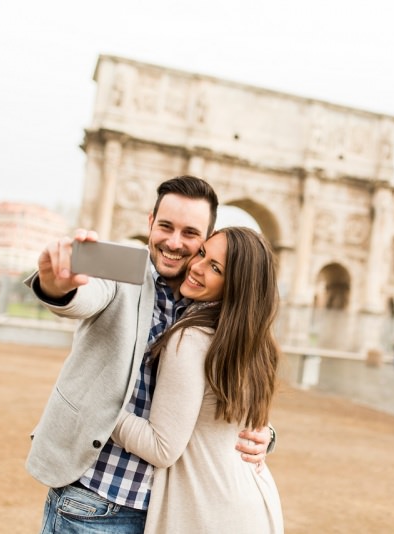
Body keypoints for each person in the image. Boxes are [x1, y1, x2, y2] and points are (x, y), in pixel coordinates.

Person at [25, 176, 275, 533]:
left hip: (166, 510)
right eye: (166, 227)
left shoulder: (218, 309)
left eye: (190, 234)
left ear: (208, 237)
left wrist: (262, 433)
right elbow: (82, 295)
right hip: (93, 497)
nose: (174, 243)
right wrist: (58, 285)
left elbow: (223, 393)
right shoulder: (120, 264)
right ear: (149, 223)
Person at [112, 226, 283, 532]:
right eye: (203, 253)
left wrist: (99, 410)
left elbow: (160, 447)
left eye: (215, 268)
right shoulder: (257, 346)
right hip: (256, 506)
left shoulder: (191, 338)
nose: (196, 266)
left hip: (207, 511)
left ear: (236, 286)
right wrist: (268, 436)